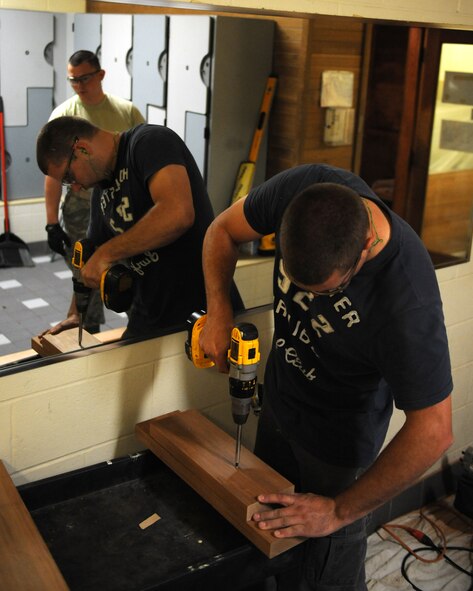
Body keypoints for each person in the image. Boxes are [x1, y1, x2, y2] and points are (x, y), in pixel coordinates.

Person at [199, 163, 453, 590]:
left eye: (324, 293)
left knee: (324, 574)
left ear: (365, 246)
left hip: (337, 448)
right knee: (271, 546)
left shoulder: (406, 302)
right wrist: (219, 311)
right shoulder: (306, 186)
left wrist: (337, 510)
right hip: (282, 404)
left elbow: (434, 430)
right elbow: (220, 231)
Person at [36, 115, 243, 338]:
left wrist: (108, 252)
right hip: (149, 316)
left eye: (68, 177)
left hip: (206, 310)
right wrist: (77, 313)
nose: (75, 188)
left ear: (82, 149)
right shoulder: (101, 194)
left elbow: (178, 213)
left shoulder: (150, 142)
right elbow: (90, 260)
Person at [44, 50, 145, 333]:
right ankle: (86, 325)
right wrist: (52, 222)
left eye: (84, 78)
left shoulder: (126, 112)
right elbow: (53, 175)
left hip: (122, 207)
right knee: (86, 268)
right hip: (79, 208)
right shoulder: (63, 116)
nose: (78, 85)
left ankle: (139, 324)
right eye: (72, 80)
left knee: (128, 268)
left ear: (100, 75)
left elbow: (140, 164)